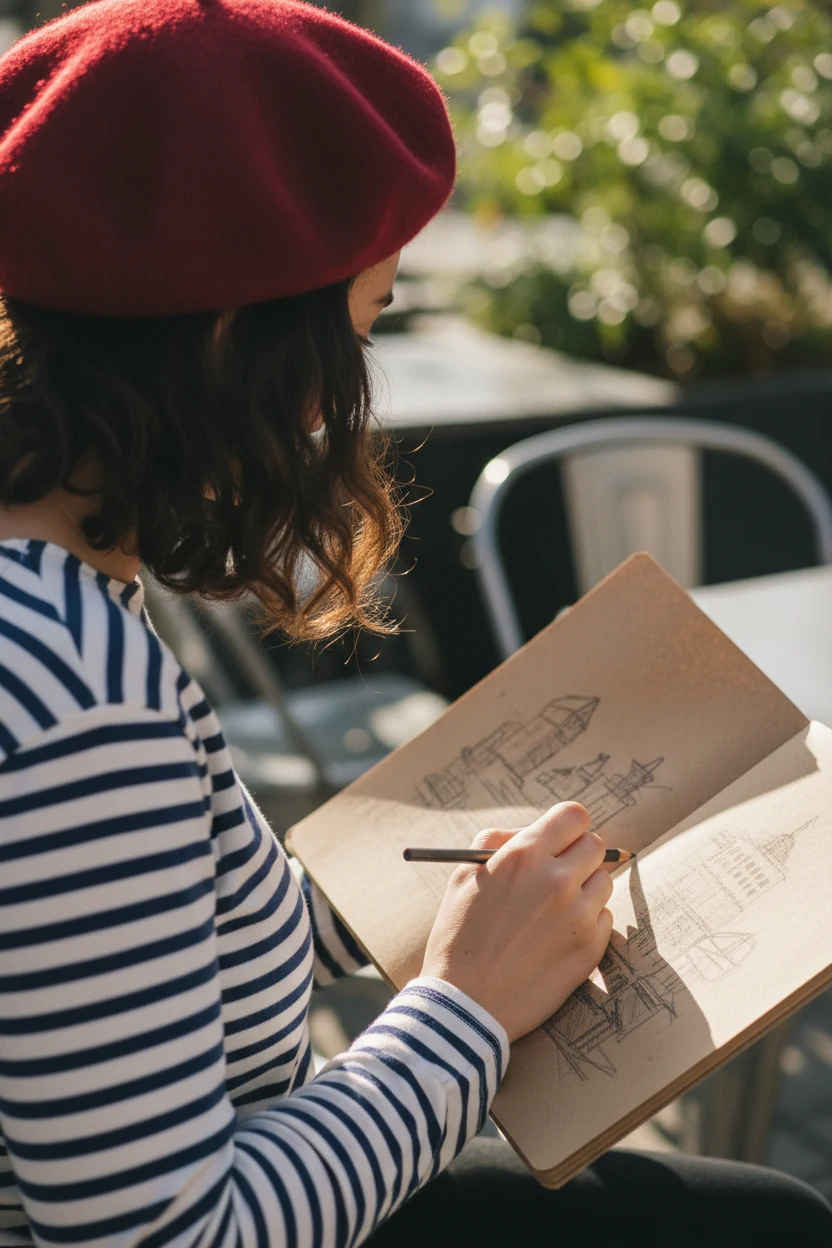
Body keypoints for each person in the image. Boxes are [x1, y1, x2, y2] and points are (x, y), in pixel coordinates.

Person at [0, 2, 828, 1246]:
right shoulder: (76, 698)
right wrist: (466, 1005)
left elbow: (171, 918)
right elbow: (165, 1235)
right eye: (364, 322)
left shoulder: (54, 601)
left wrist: (445, 893)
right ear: (239, 340)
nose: (353, 398)